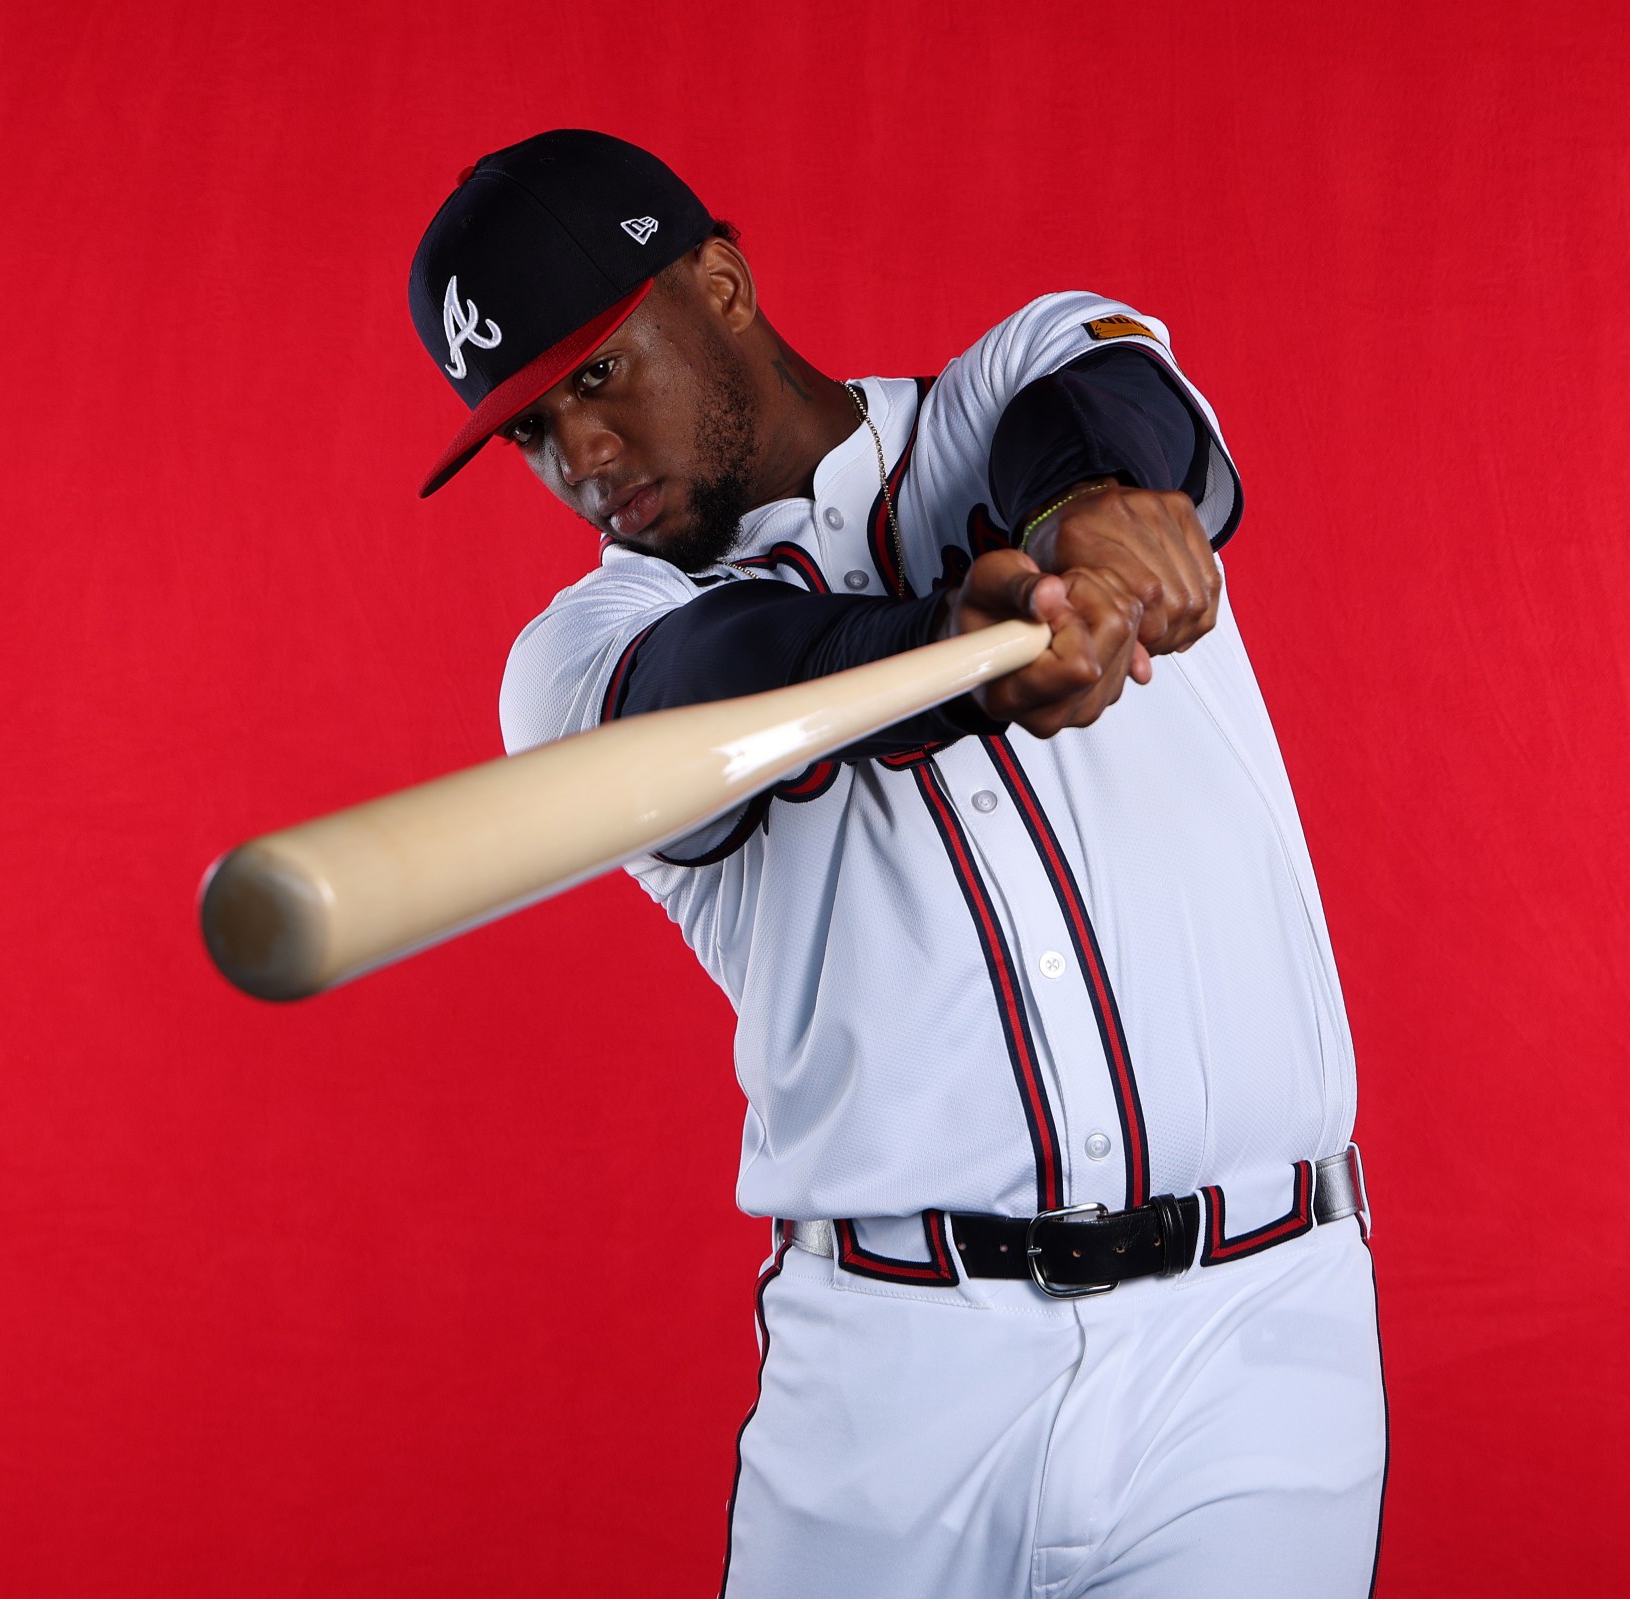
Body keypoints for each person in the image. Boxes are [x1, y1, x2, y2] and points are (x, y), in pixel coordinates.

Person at [407, 129, 1386, 1599]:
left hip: (1251, 1346)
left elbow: (1104, 397)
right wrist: (949, 655)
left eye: (599, 374)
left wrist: (1095, 518)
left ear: (722, 284)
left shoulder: (997, 398)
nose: (580, 457)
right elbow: (726, 677)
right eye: (530, 429)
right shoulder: (573, 665)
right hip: (899, 1377)